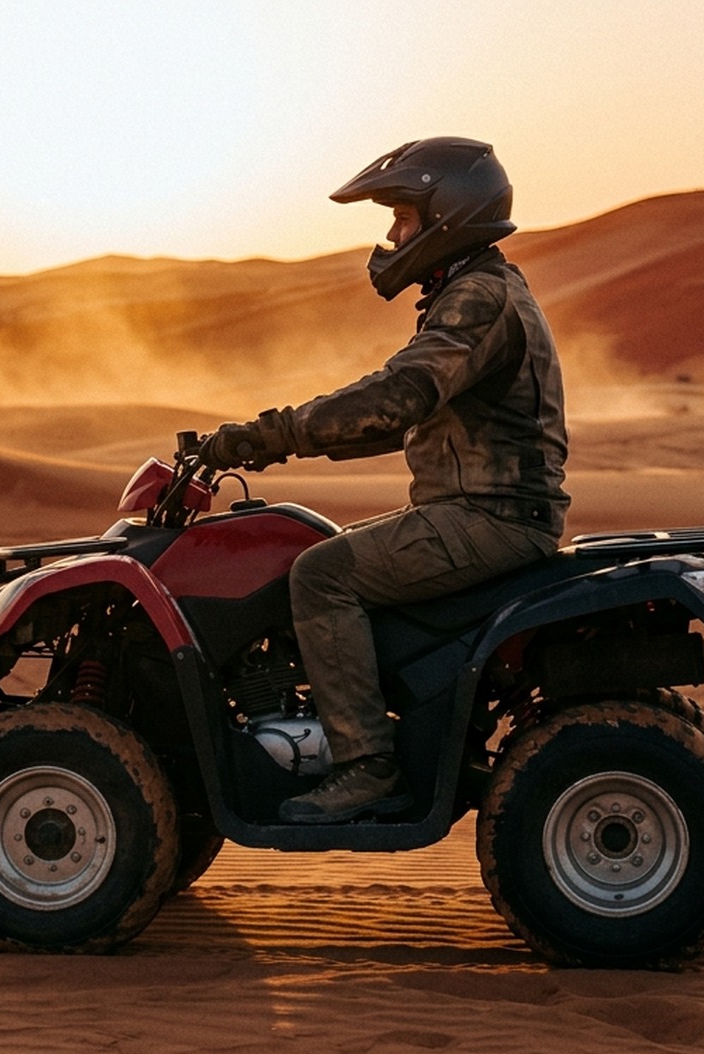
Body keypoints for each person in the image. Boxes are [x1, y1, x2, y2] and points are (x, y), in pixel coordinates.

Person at [200, 137, 569, 824]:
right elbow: (394, 421)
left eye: (402, 217)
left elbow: (398, 395)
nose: (393, 234)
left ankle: (365, 766)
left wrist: (274, 432)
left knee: (320, 576)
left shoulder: (479, 299)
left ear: (448, 215)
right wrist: (271, 448)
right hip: (483, 510)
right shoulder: (476, 290)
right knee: (312, 549)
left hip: (493, 517)